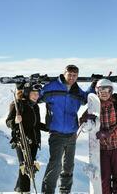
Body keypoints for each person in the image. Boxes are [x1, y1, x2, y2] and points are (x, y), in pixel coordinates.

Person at [40, 65, 94, 194]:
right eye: (69, 74)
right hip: (56, 133)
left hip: (71, 134)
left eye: (75, 75)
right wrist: (35, 84)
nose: (72, 78)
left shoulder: (76, 90)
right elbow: (38, 96)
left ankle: (65, 191)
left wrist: (93, 85)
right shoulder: (52, 86)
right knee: (55, 165)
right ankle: (48, 192)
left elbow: (86, 99)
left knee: (68, 166)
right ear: (64, 73)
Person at [80, 79, 117, 194]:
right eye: (101, 89)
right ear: (97, 91)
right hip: (101, 150)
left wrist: (109, 133)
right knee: (103, 180)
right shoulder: (93, 107)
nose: (104, 92)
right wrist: (86, 120)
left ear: (111, 91)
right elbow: (82, 123)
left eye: (107, 89)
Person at [6, 83, 47, 193]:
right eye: (33, 93)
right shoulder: (18, 104)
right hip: (21, 139)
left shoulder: (35, 106)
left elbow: (36, 124)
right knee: (25, 166)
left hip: (34, 141)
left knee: (30, 166)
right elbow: (8, 122)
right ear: (27, 93)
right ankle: (25, 190)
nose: (36, 96)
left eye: (37, 94)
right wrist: (15, 121)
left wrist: (49, 128)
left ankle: (20, 189)